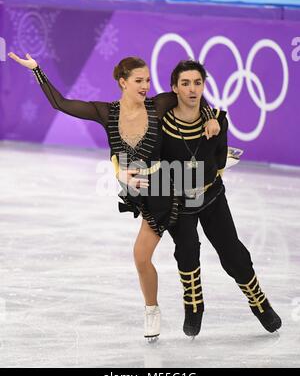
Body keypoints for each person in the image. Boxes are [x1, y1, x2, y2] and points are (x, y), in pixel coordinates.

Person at [8, 52, 220, 341]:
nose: (146, 85)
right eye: (138, 81)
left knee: (142, 255)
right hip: (136, 193)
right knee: (154, 255)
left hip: (162, 190)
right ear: (123, 82)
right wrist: (37, 70)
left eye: (147, 80)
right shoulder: (106, 112)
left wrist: (209, 118)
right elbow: (61, 103)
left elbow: (192, 97)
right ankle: (157, 307)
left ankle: (154, 310)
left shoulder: (158, 105)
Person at [160, 60, 282, 337]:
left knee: (233, 254)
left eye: (197, 82)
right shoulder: (162, 123)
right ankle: (194, 305)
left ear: (204, 85)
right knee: (187, 250)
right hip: (177, 201)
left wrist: (212, 133)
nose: (192, 89)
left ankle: (259, 301)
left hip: (212, 195)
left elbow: (218, 160)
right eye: (185, 83)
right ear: (174, 88)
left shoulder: (217, 118)